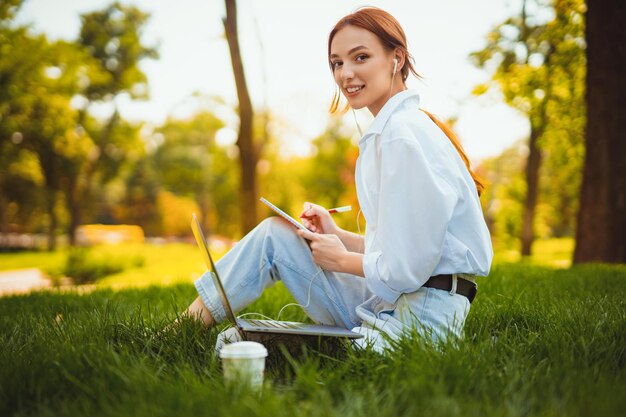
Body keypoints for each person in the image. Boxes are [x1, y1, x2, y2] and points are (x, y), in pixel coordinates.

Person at [183, 6, 493, 352]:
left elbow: (408, 266)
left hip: (419, 324)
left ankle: (215, 338)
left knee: (243, 346)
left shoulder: (403, 135)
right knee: (275, 235)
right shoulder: (393, 131)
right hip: (392, 304)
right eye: (337, 63)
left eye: (360, 57)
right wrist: (338, 235)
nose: (346, 73)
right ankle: (182, 329)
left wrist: (341, 260)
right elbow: (400, 248)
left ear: (397, 58)